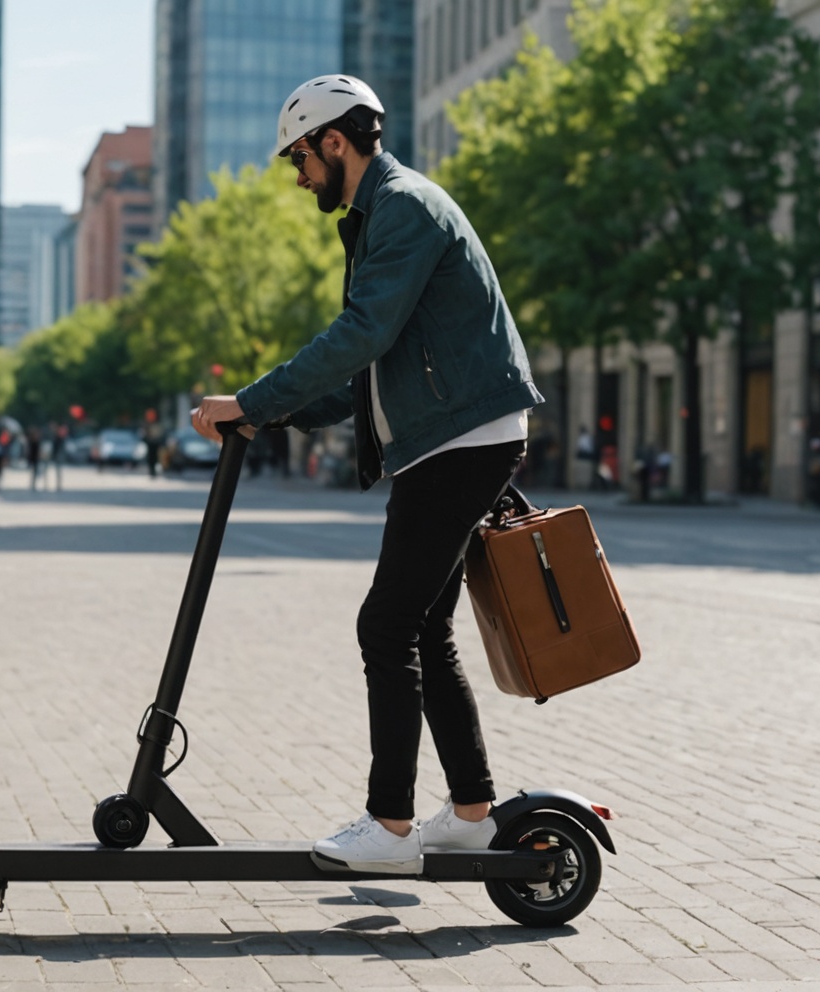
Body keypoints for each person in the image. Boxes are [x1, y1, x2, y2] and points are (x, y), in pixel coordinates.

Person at [189, 75, 540, 873]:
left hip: (464, 440)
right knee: (422, 629)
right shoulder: (382, 213)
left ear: (334, 142)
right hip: (451, 437)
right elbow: (370, 373)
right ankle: (473, 813)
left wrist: (253, 397)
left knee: (386, 625)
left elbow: (361, 333)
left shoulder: (405, 208)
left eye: (300, 159)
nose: (299, 175)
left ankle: (389, 828)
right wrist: (264, 412)